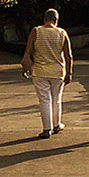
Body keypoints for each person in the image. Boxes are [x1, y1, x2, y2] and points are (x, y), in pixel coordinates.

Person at [22, 8, 72, 139]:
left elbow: (28, 50)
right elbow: (68, 56)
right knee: (57, 99)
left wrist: (25, 68)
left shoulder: (36, 31)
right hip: (58, 71)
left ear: (44, 19)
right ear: (56, 20)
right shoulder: (62, 33)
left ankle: (46, 129)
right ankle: (56, 125)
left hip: (40, 71)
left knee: (44, 100)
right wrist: (69, 73)